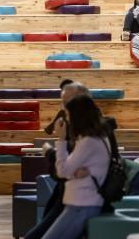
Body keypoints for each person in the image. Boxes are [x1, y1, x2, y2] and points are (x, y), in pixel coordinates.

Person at [41, 95, 110, 239]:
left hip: (82, 205)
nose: (67, 120)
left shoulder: (88, 141)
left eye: (68, 115)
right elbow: (69, 171)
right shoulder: (98, 137)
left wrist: (60, 139)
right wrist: (73, 173)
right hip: (82, 203)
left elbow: (62, 170)